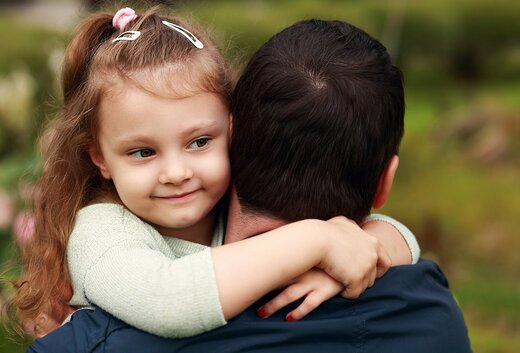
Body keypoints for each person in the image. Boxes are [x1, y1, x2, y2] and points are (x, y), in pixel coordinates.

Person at [26, 18, 472, 353]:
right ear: (99, 157)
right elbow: (170, 298)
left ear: (234, 135)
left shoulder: (212, 204)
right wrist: (317, 240)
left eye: (199, 142)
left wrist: (362, 245)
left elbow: (401, 237)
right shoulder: (104, 231)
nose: (177, 171)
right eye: (143, 152)